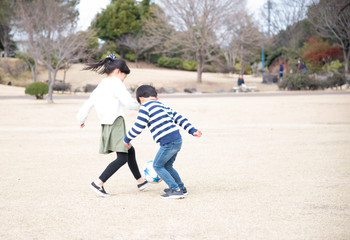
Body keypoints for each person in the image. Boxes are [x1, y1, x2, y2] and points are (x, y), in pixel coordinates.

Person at [76, 54, 149, 197]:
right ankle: (98, 183)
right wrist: (145, 105)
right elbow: (129, 103)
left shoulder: (102, 84)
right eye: (124, 76)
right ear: (117, 72)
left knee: (129, 150)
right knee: (122, 157)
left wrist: (81, 118)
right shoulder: (116, 83)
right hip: (116, 122)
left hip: (106, 124)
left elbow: (89, 103)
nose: (123, 80)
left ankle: (140, 181)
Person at [123, 85, 202, 199]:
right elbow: (179, 118)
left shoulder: (145, 107)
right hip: (177, 139)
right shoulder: (162, 105)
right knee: (168, 166)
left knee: (158, 165)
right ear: (157, 96)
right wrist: (192, 130)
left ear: (140, 98)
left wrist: (127, 139)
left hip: (168, 142)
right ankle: (181, 188)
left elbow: (138, 126)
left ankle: (175, 189)